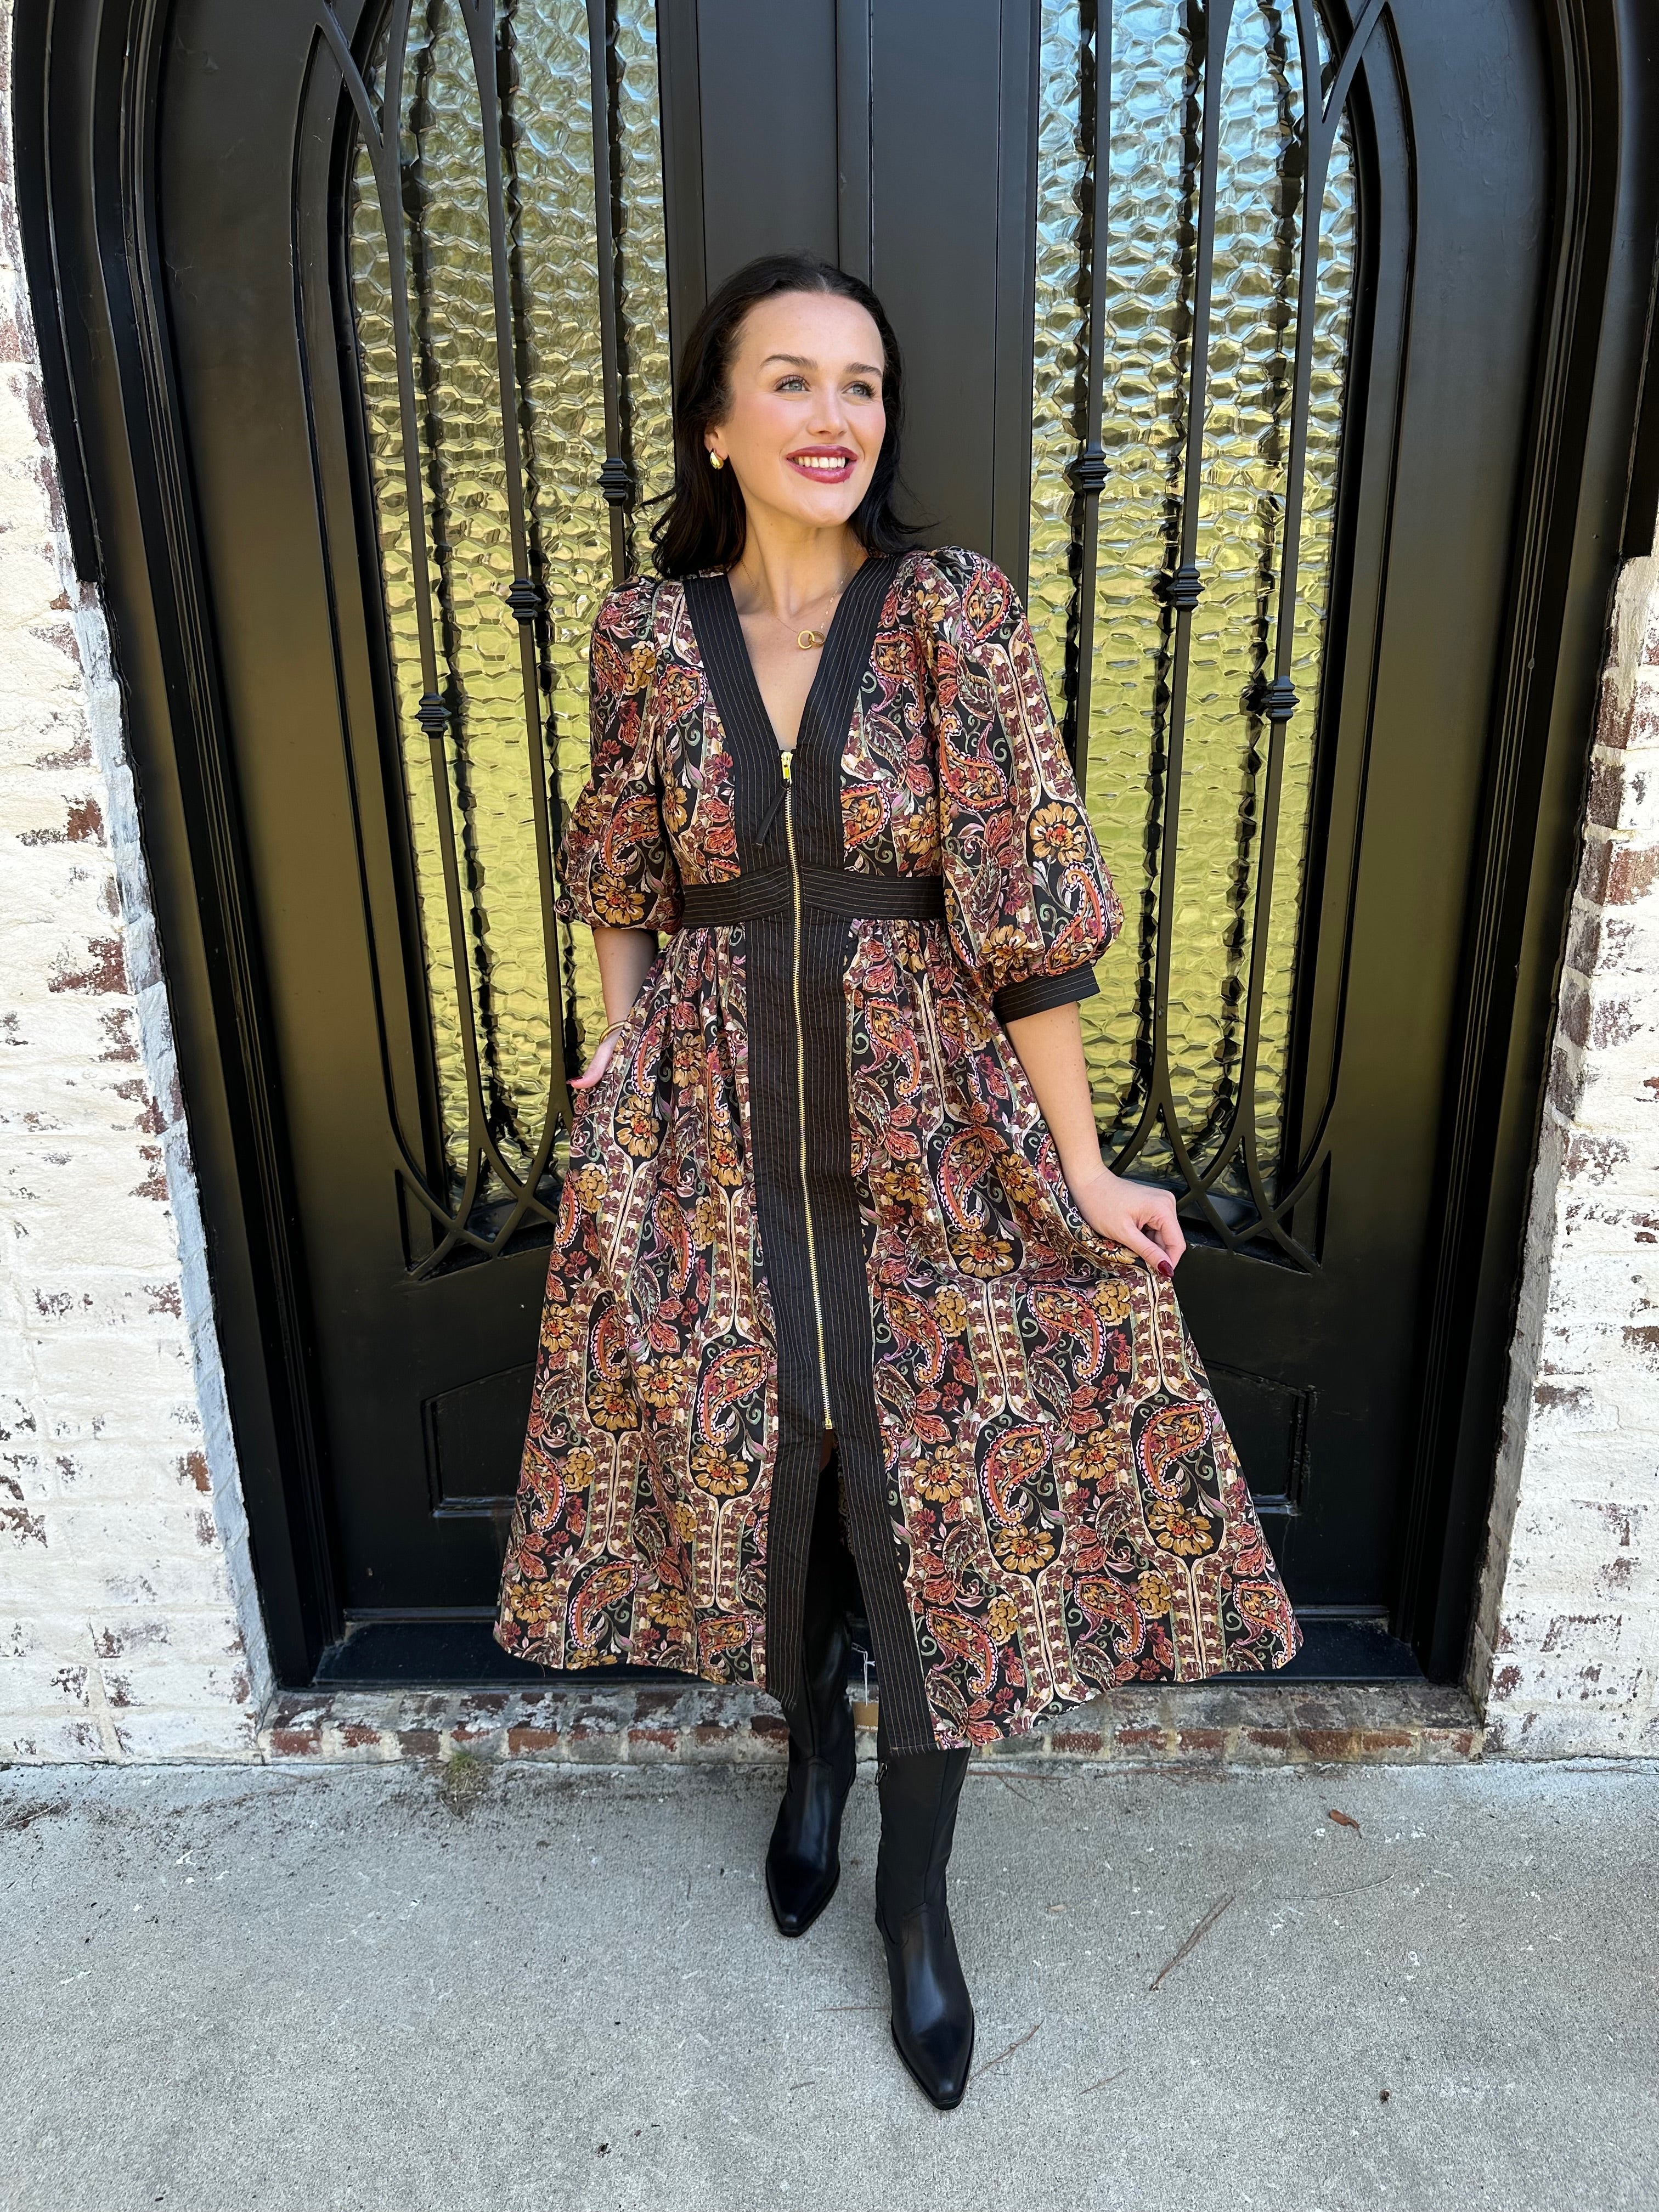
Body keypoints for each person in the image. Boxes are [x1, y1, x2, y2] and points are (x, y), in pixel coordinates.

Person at [494, 251, 1300, 2108]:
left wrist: (1082, 1169)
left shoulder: (952, 611)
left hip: (929, 1127)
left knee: (940, 1504)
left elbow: (1025, 902)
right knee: (764, 1468)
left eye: (860, 383)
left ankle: (915, 1905)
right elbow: (617, 869)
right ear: (717, 422)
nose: (835, 415)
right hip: (712, 1132)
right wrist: (621, 1044)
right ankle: (813, 1762)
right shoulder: (643, 636)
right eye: (791, 379)